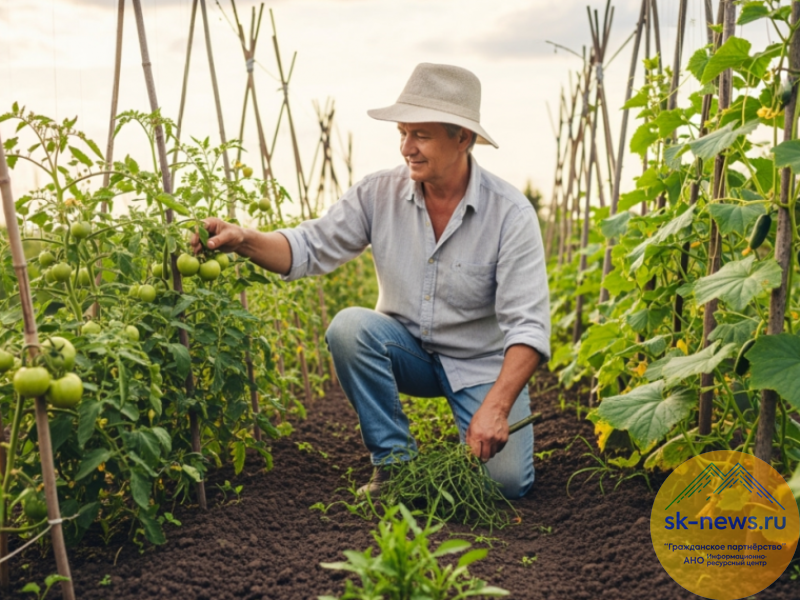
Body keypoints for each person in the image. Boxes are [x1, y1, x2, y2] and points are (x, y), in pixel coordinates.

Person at [191, 63, 551, 499]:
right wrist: (244, 239)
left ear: (463, 137)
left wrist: (496, 407)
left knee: (503, 485)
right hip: (409, 352)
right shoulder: (378, 193)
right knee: (350, 327)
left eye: (421, 134)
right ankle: (395, 464)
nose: (406, 147)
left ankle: (478, 425)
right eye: (402, 132)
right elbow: (309, 246)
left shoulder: (510, 214)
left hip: (480, 366)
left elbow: (529, 326)